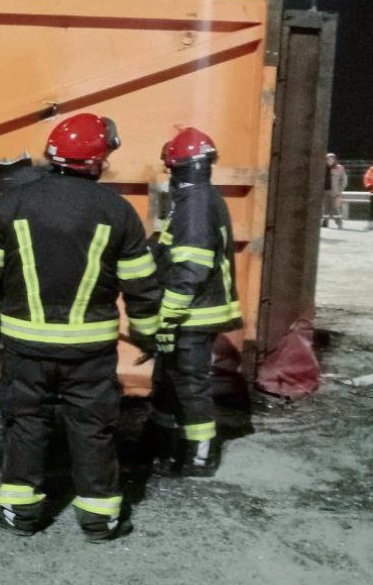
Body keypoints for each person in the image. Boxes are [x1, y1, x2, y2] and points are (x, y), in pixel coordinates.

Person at [0, 113, 161, 542]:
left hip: (25, 346)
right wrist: (148, 336)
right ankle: (99, 520)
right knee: (93, 427)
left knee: (25, 422)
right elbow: (142, 288)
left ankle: (20, 514)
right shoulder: (119, 212)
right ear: (97, 160)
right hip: (90, 352)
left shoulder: (8, 206)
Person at [149, 128, 242, 478]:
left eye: (171, 169)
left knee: (188, 382)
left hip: (192, 313)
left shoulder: (196, 205)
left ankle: (201, 455)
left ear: (180, 168)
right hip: (194, 311)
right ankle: (164, 442)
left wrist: (168, 315)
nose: (170, 177)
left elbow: (190, 267)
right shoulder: (200, 200)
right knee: (170, 378)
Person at [322, 153, 347, 229]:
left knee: (336, 208)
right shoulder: (322, 167)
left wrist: (340, 189)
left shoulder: (339, 168)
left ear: (334, 160)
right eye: (328, 159)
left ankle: (339, 223)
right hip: (325, 191)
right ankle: (325, 222)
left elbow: (344, 180)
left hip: (335, 192)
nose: (330, 160)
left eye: (332, 159)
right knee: (325, 208)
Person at [363, 163, 373, 231]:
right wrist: (370, 186)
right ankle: (370, 225)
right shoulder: (371, 169)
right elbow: (367, 178)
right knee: (372, 210)